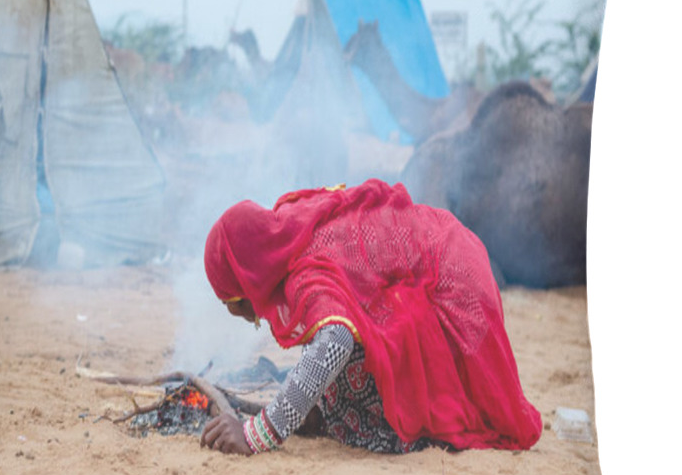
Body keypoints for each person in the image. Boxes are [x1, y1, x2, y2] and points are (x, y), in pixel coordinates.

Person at [200, 179, 542, 456]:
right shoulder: (290, 229)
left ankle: (405, 431)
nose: (240, 314)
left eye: (231, 301)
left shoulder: (307, 272)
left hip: (455, 296)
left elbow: (336, 341)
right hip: (452, 263)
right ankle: (329, 414)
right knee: (335, 353)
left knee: (341, 357)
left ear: (246, 280)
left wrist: (258, 434)